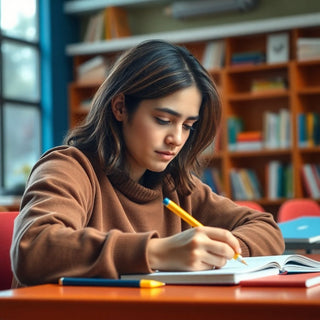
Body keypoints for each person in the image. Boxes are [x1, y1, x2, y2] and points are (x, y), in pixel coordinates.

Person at [10, 39, 284, 288]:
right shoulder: (69, 167)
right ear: (120, 107)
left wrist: (224, 251)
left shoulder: (175, 187)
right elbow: (33, 249)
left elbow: (266, 228)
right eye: (163, 120)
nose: (176, 139)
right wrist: (157, 251)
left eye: (188, 125)